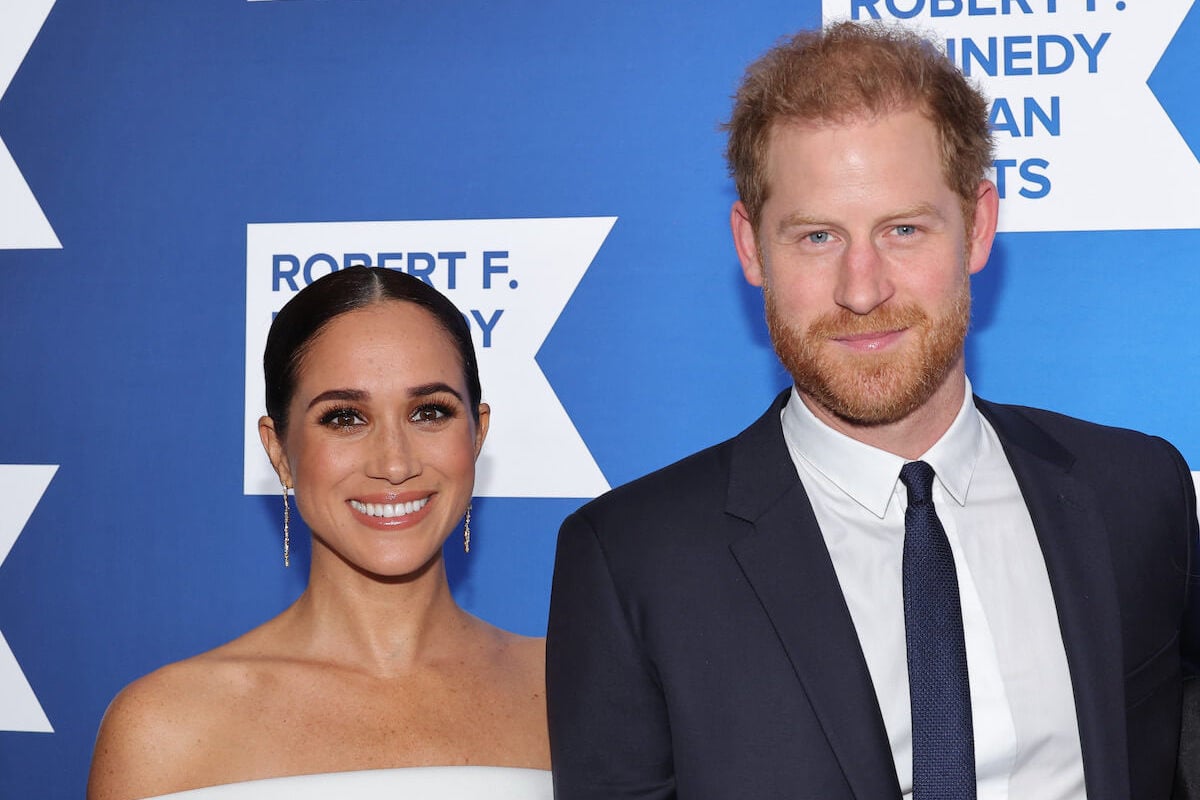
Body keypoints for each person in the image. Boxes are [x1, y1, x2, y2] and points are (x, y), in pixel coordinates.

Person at [546, 21, 1198, 800]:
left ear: (979, 226)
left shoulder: (1135, 490)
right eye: (817, 236)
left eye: (903, 230)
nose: (862, 289)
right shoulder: (632, 561)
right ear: (751, 247)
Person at [88, 267, 551, 799]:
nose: (395, 463)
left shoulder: (577, 688)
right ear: (279, 451)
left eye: (429, 412)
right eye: (345, 418)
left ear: (477, 435)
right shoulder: (164, 728)